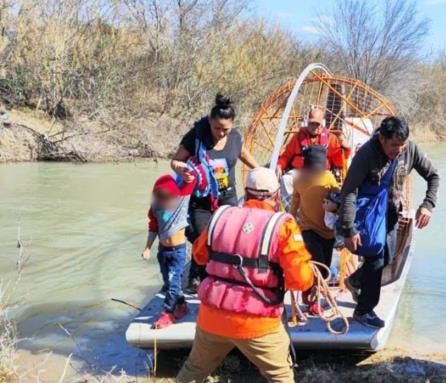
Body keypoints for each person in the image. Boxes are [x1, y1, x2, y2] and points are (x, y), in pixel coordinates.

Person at [163, 167, 313, 383]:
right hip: (258, 323)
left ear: (245, 193)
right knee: (280, 376)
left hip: (213, 316)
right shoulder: (283, 224)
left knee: (194, 369)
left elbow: (198, 256)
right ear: (277, 195)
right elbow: (301, 280)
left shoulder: (221, 215)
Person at [340, 116, 440, 328]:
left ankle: (355, 281)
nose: (399, 150)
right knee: (375, 259)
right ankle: (364, 310)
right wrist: (349, 228)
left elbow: (433, 175)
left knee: (388, 256)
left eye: (402, 144)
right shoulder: (366, 154)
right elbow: (349, 191)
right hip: (369, 216)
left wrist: (428, 204)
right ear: (382, 139)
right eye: (394, 145)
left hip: (392, 214)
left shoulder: (410, 150)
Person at [171, 94, 258, 290]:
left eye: (225, 129)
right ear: (210, 121)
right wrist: (182, 170)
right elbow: (175, 161)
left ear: (232, 125)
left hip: (227, 197)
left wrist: (261, 171)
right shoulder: (196, 136)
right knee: (203, 238)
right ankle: (201, 278)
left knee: (228, 239)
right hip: (201, 200)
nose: (220, 133)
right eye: (216, 128)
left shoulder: (235, 137)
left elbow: (244, 154)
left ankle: (221, 278)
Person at [142, 174, 196, 329]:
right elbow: (153, 227)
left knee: (173, 284)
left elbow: (190, 183)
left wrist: (185, 171)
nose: (164, 201)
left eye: (167, 196)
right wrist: (147, 248)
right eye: (160, 197)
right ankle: (182, 305)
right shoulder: (155, 208)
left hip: (178, 251)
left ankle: (167, 313)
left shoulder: (181, 202)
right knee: (170, 282)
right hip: (163, 251)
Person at [289, 146, 340, 270]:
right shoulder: (299, 179)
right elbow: (295, 203)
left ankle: (319, 288)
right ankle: (313, 288)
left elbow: (339, 198)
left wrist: (335, 207)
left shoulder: (329, 177)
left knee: (325, 268)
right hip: (308, 229)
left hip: (328, 232)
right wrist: (290, 222)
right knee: (318, 267)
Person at [276, 107, 350, 178]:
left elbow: (339, 162)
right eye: (312, 123)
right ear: (307, 123)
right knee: (286, 179)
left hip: (322, 174)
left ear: (322, 124)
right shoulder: (297, 137)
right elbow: (286, 156)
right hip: (299, 174)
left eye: (317, 124)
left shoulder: (331, 138)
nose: (314, 127)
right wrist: (280, 165)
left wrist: (346, 149)